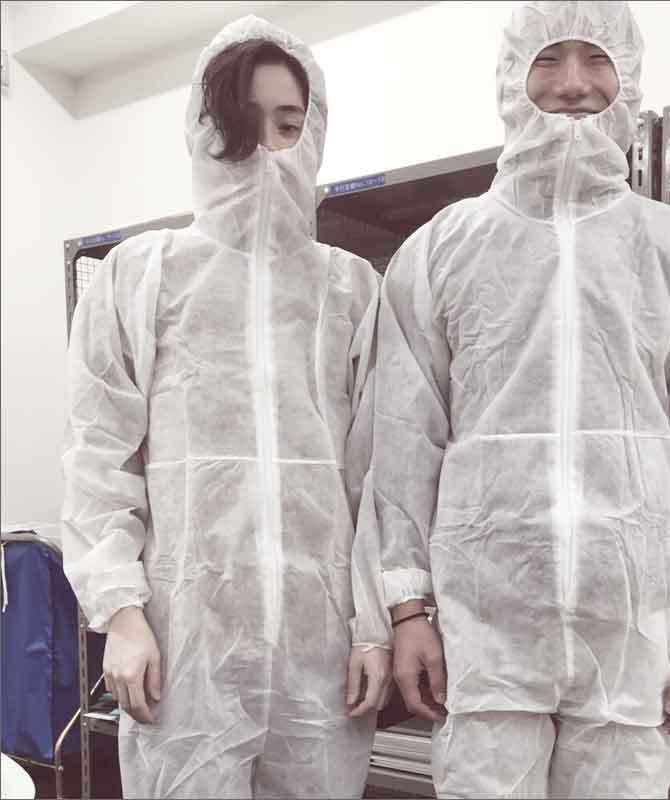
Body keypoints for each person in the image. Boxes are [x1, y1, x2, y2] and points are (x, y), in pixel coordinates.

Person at [356, 1, 670, 797]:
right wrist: (405, 609)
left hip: (633, 640)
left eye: (596, 59)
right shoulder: (441, 249)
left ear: (629, 77)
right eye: (548, 59)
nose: (574, 83)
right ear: (511, 77)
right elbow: (401, 444)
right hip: (483, 639)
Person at [61, 16, 391, 799]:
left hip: (321, 656)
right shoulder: (140, 276)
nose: (267, 149)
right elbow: (98, 458)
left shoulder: (350, 288)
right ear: (204, 129)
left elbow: (379, 474)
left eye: (289, 124)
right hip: (184, 651)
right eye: (244, 122)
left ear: (314, 133)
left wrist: (375, 626)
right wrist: (122, 615)